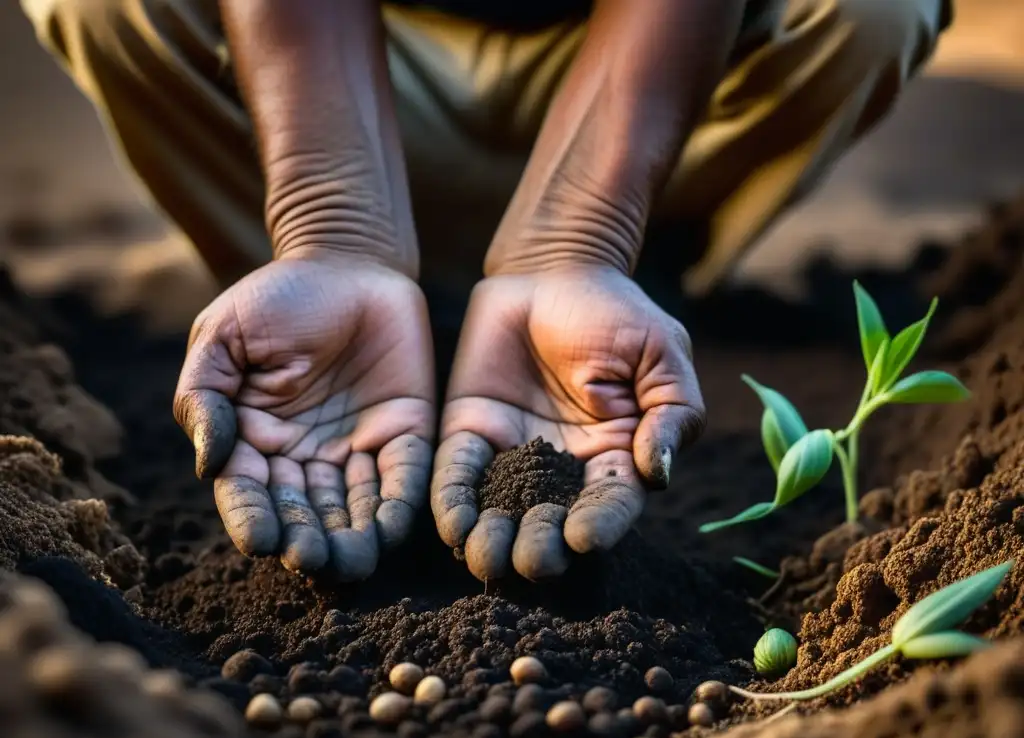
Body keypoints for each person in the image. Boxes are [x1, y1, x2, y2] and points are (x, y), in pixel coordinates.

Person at [21, 0, 951, 583]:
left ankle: (627, 268)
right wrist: (334, 224)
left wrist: (579, 235)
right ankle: (344, 286)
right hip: (356, 71)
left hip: (656, 77)